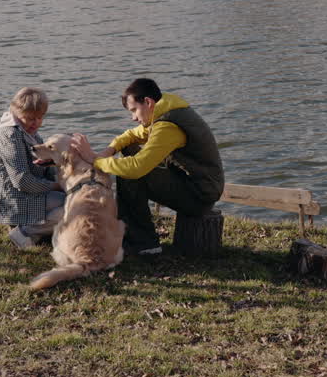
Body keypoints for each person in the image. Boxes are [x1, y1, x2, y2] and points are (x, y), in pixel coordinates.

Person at [71, 78, 223, 256]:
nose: (133, 117)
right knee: (127, 150)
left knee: (128, 173)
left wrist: (94, 160)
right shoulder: (165, 109)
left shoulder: (168, 126)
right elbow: (131, 135)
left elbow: (136, 168)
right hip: (193, 182)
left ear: (148, 102)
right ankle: (129, 231)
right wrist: (107, 152)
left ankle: (144, 242)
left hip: (200, 196)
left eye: (134, 110)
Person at [0, 87, 65, 250]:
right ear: (16, 112)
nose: (36, 123)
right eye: (29, 118)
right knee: (72, 207)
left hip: (28, 193)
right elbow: (22, 180)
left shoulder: (28, 132)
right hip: (13, 200)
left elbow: (45, 166)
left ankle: (38, 231)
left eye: (40, 117)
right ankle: (24, 232)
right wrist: (57, 186)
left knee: (76, 199)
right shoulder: (10, 136)